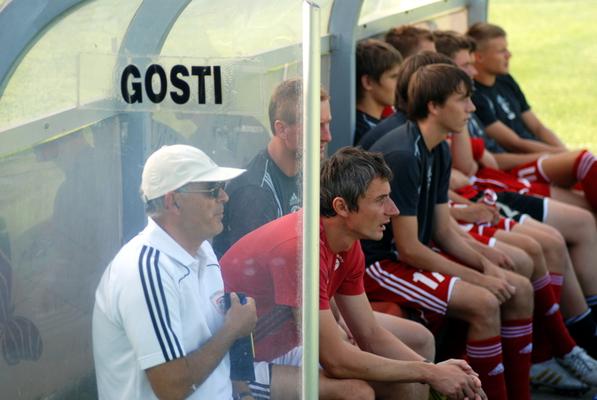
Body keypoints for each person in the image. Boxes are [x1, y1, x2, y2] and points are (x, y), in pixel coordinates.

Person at [221, 147, 486, 399]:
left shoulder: (347, 242)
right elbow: (336, 361)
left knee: (407, 383)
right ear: (342, 207)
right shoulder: (301, 249)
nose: (393, 210)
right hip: (236, 365)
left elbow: (369, 334)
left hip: (280, 349)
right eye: (381, 200)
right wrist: (430, 372)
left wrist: (435, 372)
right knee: (356, 393)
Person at [92, 144, 258, 400]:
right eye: (212, 189)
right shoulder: (147, 271)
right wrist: (233, 329)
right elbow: (171, 387)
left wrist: (244, 394)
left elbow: (214, 347)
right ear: (174, 202)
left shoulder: (203, 250)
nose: (224, 197)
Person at [465, 22, 597, 212]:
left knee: (585, 174)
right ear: (479, 57)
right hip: (520, 163)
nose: (509, 55)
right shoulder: (476, 96)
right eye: (501, 51)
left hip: (541, 154)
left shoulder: (505, 80)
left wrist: (563, 151)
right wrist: (560, 155)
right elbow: (515, 143)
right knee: (585, 161)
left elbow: (538, 127)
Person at [213, 79, 332, 256]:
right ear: (281, 129)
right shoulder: (254, 192)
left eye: (328, 124)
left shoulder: (310, 173)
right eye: (317, 126)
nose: (327, 136)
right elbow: (255, 268)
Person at [354, 39, 403, 145]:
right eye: (394, 77)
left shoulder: (380, 122)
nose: (401, 83)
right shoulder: (363, 132)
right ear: (368, 82)